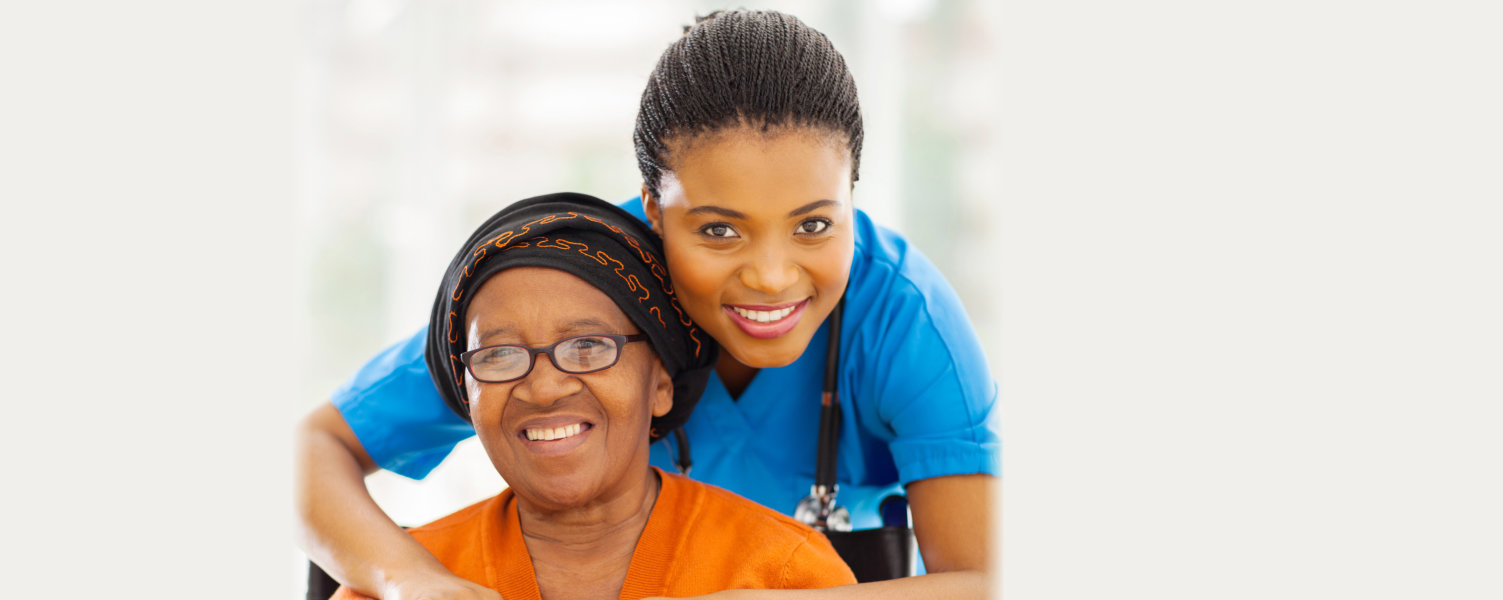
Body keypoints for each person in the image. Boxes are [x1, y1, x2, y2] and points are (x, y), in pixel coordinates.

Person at [298, 9, 999, 599]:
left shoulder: (904, 320)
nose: (772, 277)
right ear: (653, 212)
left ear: (853, 195)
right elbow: (311, 449)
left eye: (815, 223)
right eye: (719, 230)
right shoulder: (580, 287)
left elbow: (988, 580)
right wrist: (411, 580)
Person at [330, 193, 856, 599]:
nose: (543, 387)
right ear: (466, 394)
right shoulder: (399, 586)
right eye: (499, 356)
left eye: (588, 346)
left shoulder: (787, 571)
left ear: (662, 387)